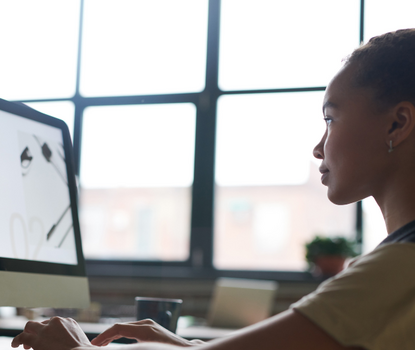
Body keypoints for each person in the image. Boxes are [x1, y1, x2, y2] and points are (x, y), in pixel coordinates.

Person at [11, 28, 415, 350]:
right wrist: (187, 346)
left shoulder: (397, 269)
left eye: (330, 119)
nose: (317, 147)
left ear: (397, 124)